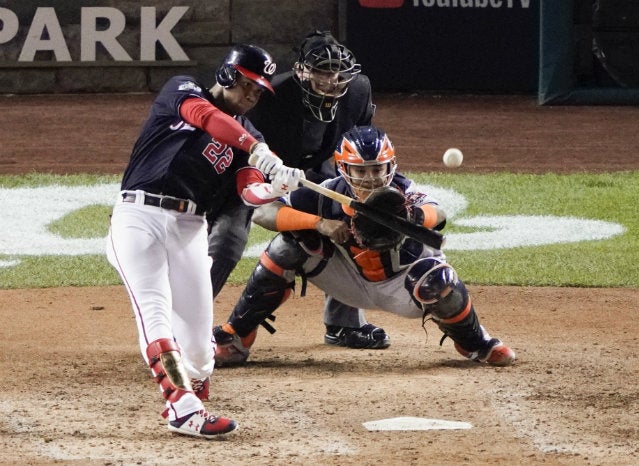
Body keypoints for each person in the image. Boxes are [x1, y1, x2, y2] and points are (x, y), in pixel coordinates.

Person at [105, 43, 305, 438]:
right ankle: (182, 407)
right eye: (248, 84)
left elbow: (249, 193)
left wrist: (276, 186)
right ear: (228, 75)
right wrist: (256, 149)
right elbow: (207, 118)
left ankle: (191, 392)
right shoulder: (183, 91)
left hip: (190, 228)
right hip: (138, 217)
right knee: (154, 312)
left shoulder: (251, 135)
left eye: (259, 90)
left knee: (199, 349)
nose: (253, 95)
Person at [210, 125, 517, 367]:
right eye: (361, 171)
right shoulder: (325, 193)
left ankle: (475, 343)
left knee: (441, 281)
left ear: (390, 167)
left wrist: (411, 216)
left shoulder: (406, 194)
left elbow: (440, 214)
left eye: (378, 169)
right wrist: (318, 224)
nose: (371, 179)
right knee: (287, 246)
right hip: (347, 282)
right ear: (344, 168)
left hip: (405, 287)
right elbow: (263, 211)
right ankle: (237, 337)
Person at [208, 31, 389, 364]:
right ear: (302, 71)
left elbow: (352, 149)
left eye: (337, 73)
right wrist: (304, 209)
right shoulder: (269, 99)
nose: (331, 81)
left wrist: (345, 198)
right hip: (255, 173)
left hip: (312, 173)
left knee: (357, 211)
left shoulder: (358, 91)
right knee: (228, 240)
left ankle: (344, 324)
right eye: (321, 71)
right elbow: (241, 157)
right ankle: (187, 327)